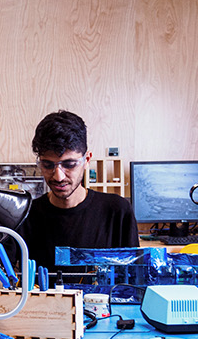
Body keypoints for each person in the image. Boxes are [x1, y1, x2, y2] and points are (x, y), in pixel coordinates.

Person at [18, 110, 139, 273]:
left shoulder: (117, 211)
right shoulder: (25, 215)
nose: (58, 176)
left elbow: (132, 278)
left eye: (69, 164)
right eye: (48, 165)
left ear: (86, 160)